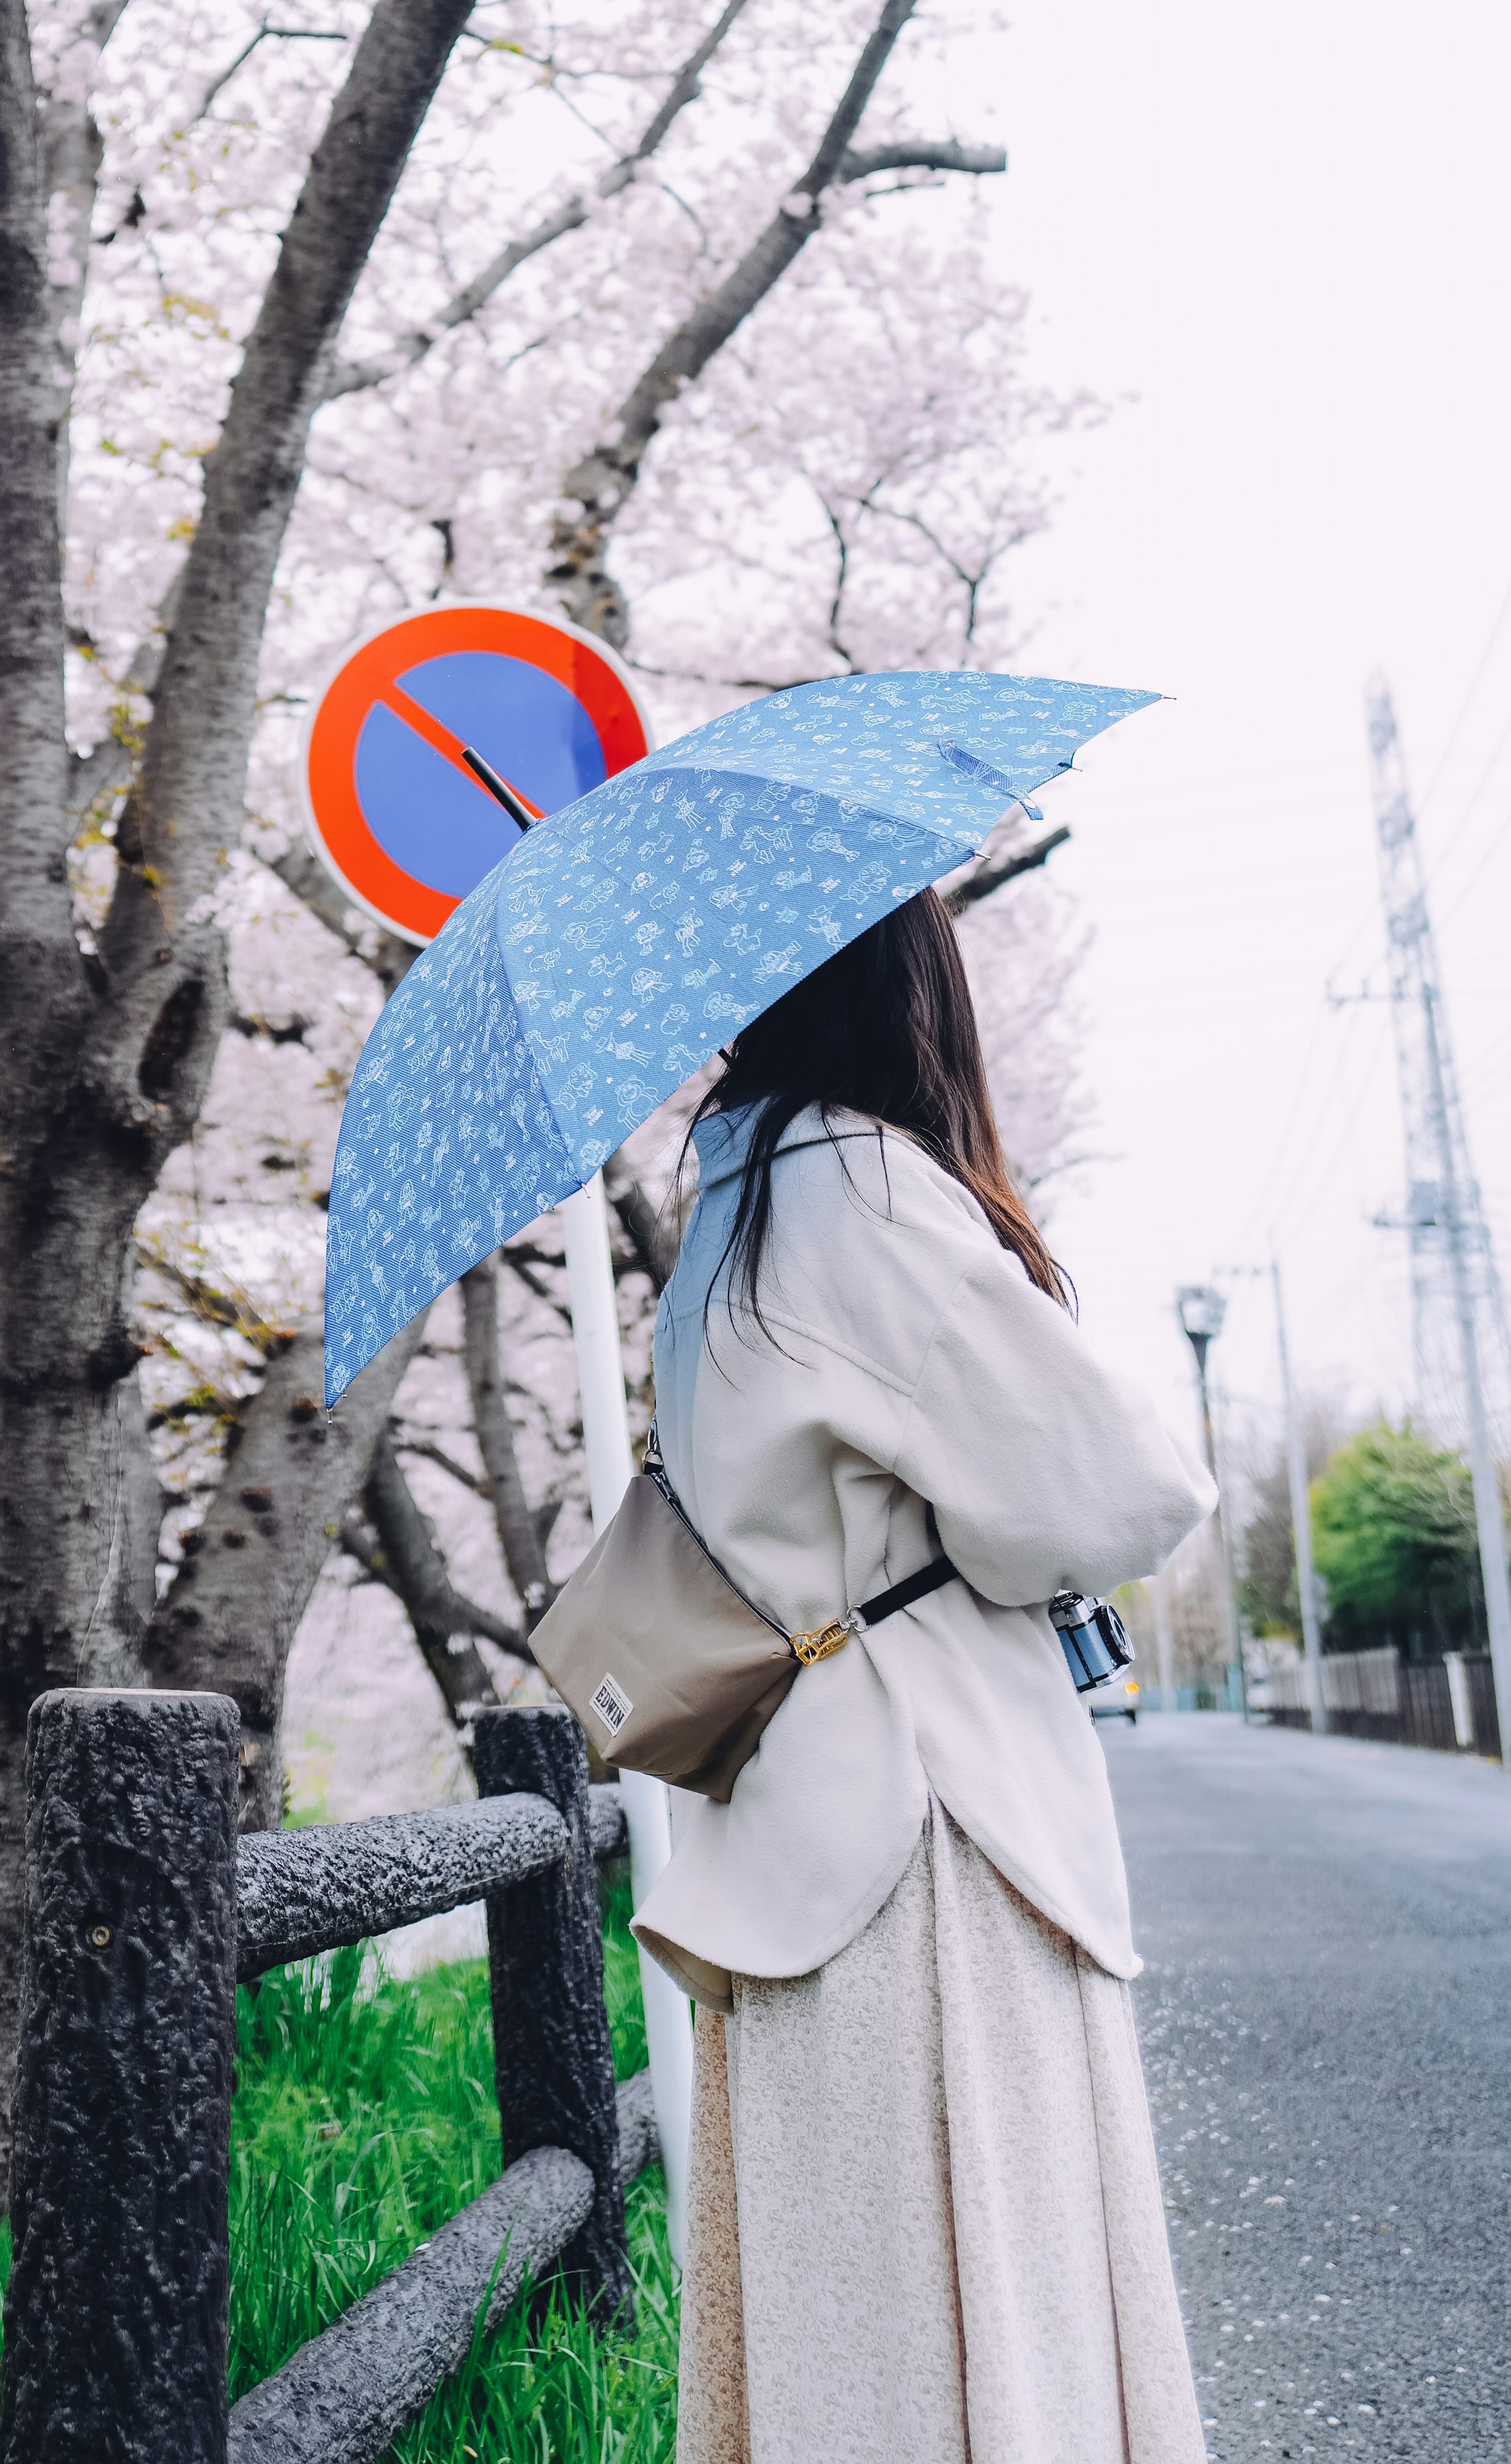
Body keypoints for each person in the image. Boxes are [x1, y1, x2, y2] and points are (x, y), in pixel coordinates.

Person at [635, 888, 1214, 2464]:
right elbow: (1122, 1492)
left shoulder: (732, 1207)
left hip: (796, 1817)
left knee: (854, 2322)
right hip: (933, 1821)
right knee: (989, 2288)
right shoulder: (865, 1188)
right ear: (911, 988)